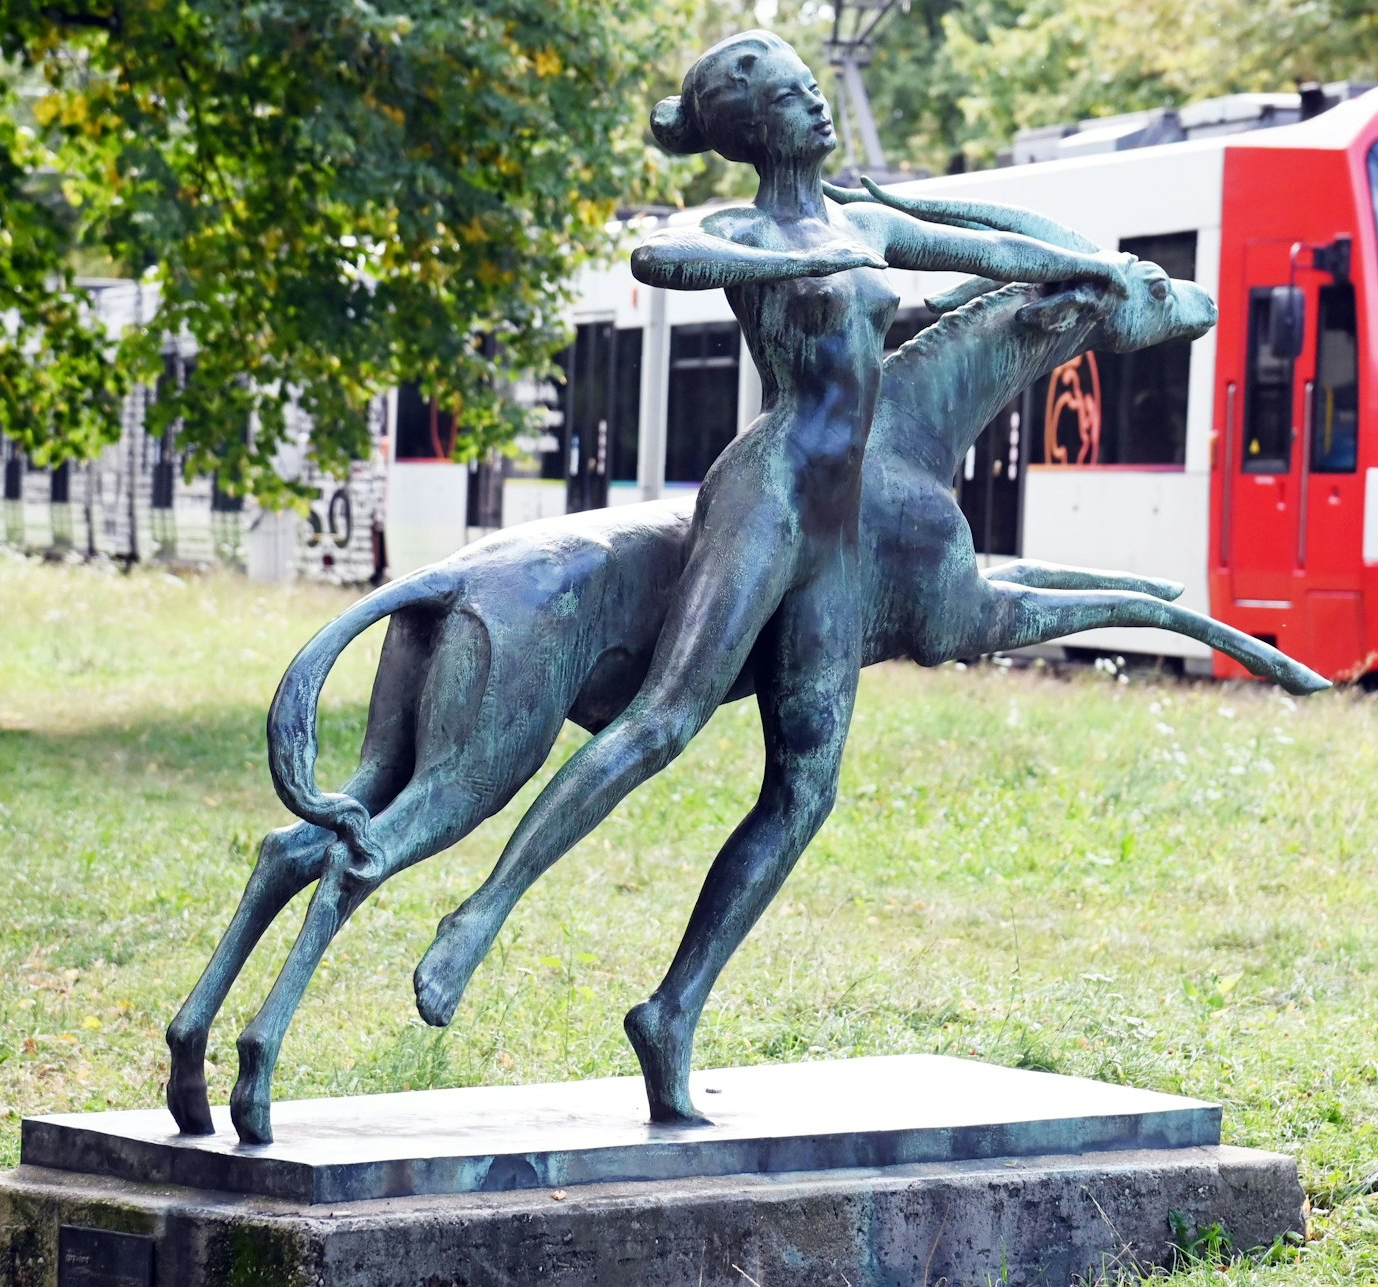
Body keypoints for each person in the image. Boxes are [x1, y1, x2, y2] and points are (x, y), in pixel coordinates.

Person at [412, 29, 1133, 1121]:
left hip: (839, 523)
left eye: (814, 91)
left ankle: (672, 1015)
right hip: (769, 491)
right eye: (795, 101)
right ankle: (481, 912)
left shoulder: (871, 221)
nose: (815, 109)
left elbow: (1005, 255)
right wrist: (794, 263)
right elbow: (662, 259)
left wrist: (1079, 264)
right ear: (753, 133)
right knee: (663, 721)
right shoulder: (738, 224)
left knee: (804, 788)